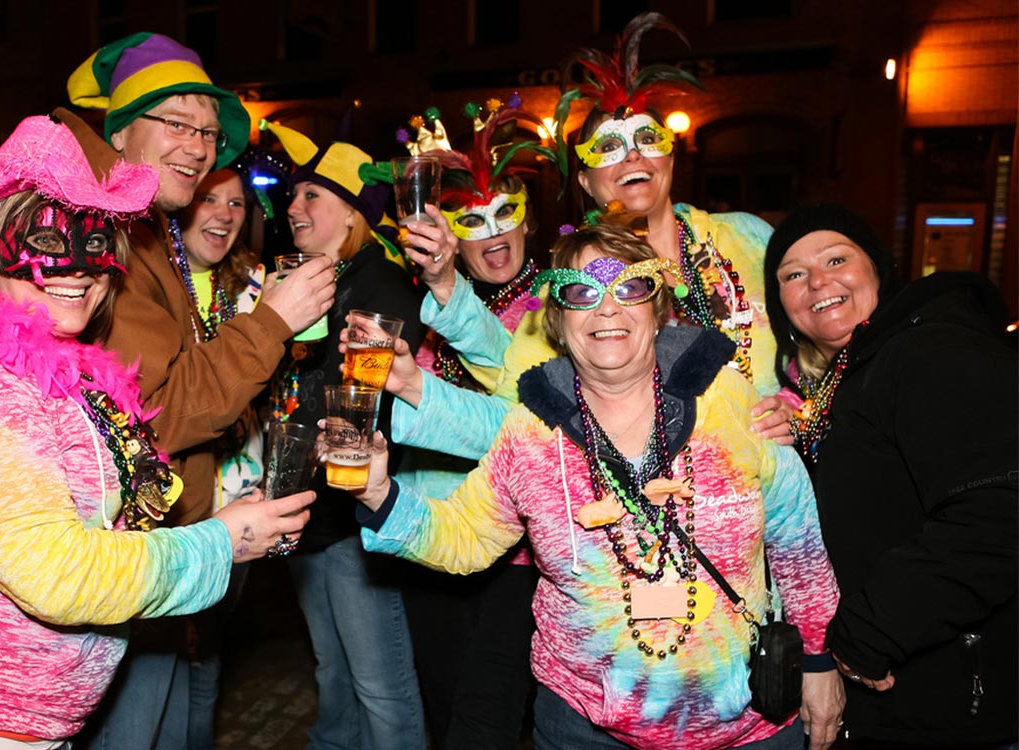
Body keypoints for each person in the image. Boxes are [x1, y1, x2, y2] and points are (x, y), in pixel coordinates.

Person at [0, 115, 312, 748]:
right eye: (48, 241)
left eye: (98, 240)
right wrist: (220, 543)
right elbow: (57, 573)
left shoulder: (63, 371)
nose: (77, 267)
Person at [353, 222, 844, 750]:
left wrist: (818, 660)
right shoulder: (530, 432)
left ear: (658, 310)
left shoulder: (729, 403)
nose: (607, 307)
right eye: (581, 291)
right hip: (586, 728)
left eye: (631, 287)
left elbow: (798, 542)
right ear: (559, 320)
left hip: (746, 728)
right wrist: (379, 495)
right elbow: (465, 536)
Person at [58, 33, 337, 750]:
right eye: (176, 123)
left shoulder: (148, 232)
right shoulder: (107, 232)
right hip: (127, 555)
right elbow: (165, 412)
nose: (198, 145)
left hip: (178, 544)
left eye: (208, 132)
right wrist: (276, 320)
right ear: (119, 131)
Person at [401, 13, 793, 451]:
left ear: (671, 157)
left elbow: (817, 344)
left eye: (648, 138)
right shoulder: (571, 291)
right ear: (585, 182)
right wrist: (412, 388)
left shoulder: (748, 238)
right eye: (608, 146)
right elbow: (516, 415)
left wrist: (797, 405)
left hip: (772, 488)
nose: (632, 156)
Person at [763, 203, 1018, 749]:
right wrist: (799, 441)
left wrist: (865, 636)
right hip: (907, 701)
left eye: (836, 259)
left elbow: (999, 515)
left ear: (878, 270)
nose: (818, 282)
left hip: (959, 706)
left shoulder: (934, 350)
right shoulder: (854, 372)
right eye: (793, 274)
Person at [261, 118, 427, 750]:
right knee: (332, 668)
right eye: (293, 194)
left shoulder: (379, 283)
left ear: (353, 214)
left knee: (380, 683)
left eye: (312, 196)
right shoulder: (311, 283)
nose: (292, 205)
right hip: (311, 508)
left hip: (354, 512)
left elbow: (368, 403)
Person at [390, 101, 549, 749]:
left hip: (517, 556)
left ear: (528, 219)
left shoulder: (560, 304)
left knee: (485, 723)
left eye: (506, 210)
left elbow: (530, 420)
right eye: (471, 219)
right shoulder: (430, 310)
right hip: (433, 543)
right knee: (444, 704)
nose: (493, 231)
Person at [169, 165, 269, 750]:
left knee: (207, 649)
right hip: (174, 498)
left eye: (236, 203)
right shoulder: (151, 289)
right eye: (211, 199)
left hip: (237, 493)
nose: (226, 214)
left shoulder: (252, 288)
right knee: (165, 653)